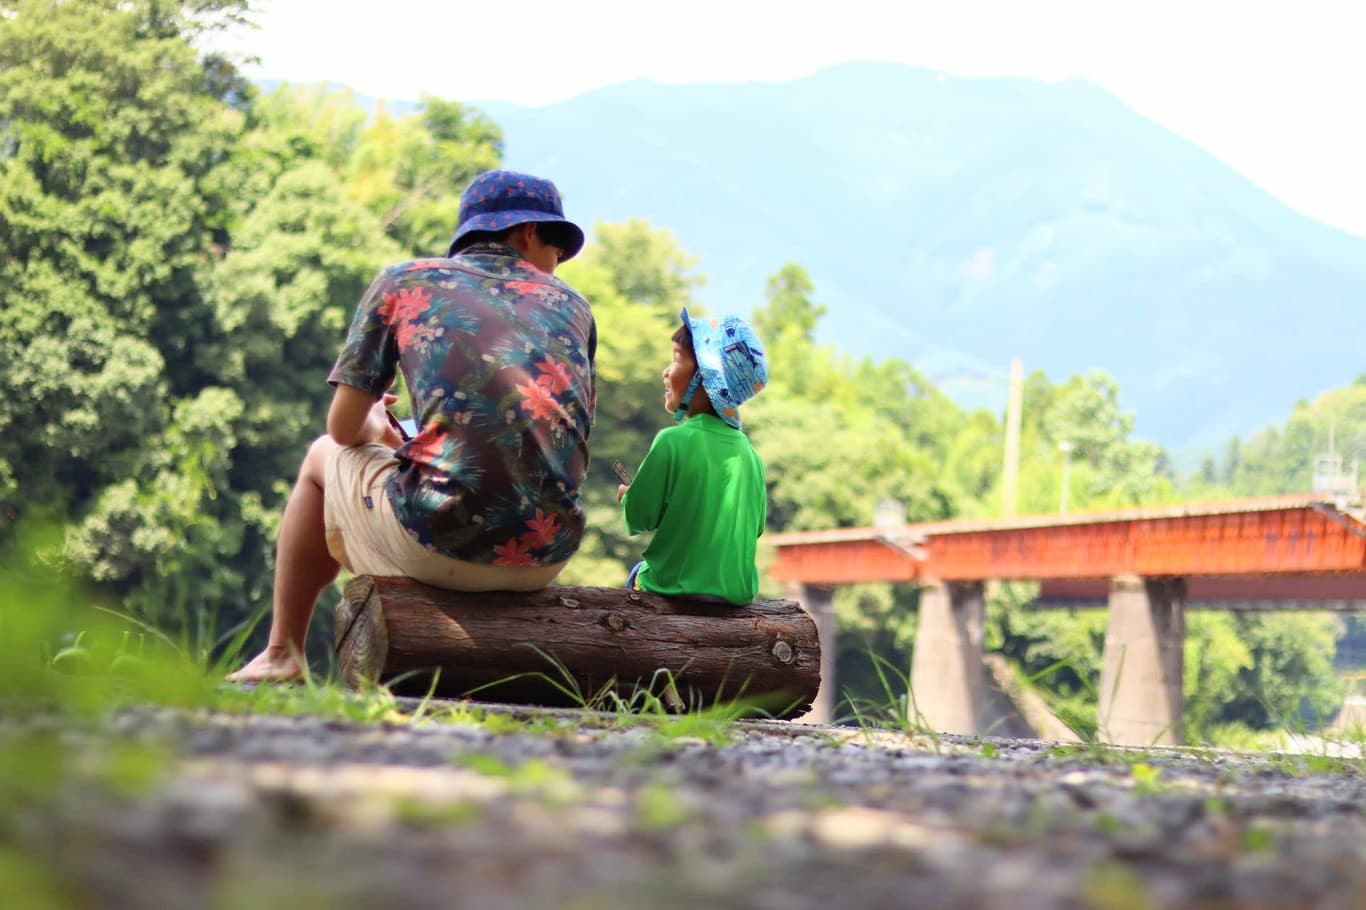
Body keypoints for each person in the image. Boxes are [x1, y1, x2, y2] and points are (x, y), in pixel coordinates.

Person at [230, 169, 596, 682]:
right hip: (548, 552)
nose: (554, 270)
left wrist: (379, 426)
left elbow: (342, 430)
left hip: (440, 542)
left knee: (319, 456)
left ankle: (282, 652)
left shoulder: (405, 281)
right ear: (528, 233)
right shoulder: (575, 307)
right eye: (557, 251)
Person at [617, 309, 768, 606]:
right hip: (736, 596)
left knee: (638, 573)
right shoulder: (750, 454)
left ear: (703, 377)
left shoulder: (672, 441)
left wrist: (627, 497)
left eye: (675, 359)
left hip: (674, 588)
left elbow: (639, 517)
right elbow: (757, 527)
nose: (666, 371)